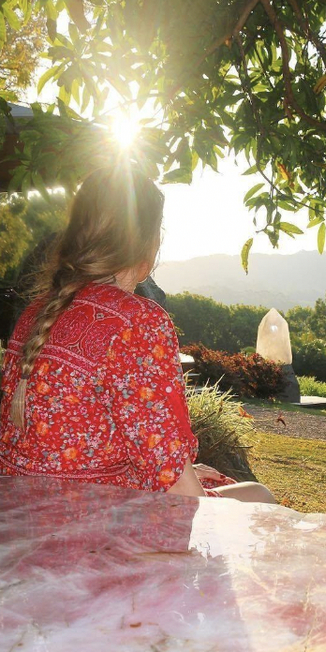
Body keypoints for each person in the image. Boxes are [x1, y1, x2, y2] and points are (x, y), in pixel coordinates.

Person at [0, 166, 275, 503]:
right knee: (258, 495)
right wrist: (184, 478)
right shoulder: (137, 322)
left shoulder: (36, 312)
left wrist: (182, 469)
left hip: (26, 512)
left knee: (215, 477)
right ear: (148, 243)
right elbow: (177, 491)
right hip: (96, 524)